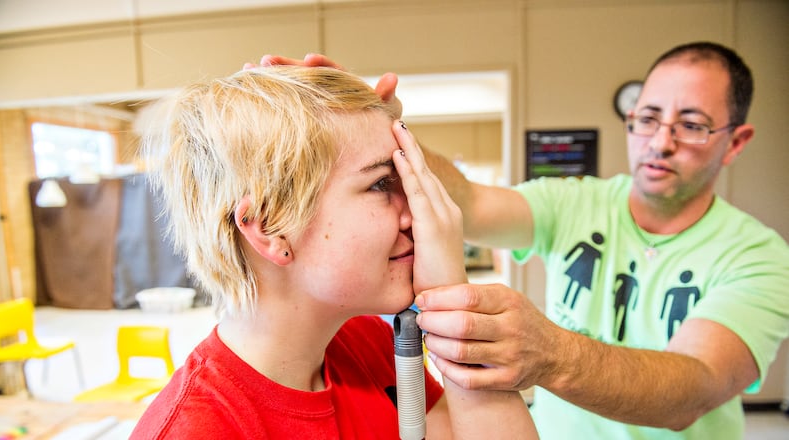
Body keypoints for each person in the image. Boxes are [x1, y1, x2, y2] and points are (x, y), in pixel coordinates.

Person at [256, 42, 789, 439]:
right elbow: (467, 199)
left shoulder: (758, 256)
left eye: (691, 125)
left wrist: (553, 355)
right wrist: (383, 127)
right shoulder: (575, 202)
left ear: (736, 141)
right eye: (647, 118)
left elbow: (693, 388)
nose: (660, 141)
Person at [130, 65, 537, 439]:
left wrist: (451, 295)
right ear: (272, 227)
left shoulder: (367, 341)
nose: (417, 214)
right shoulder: (198, 428)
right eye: (381, 184)